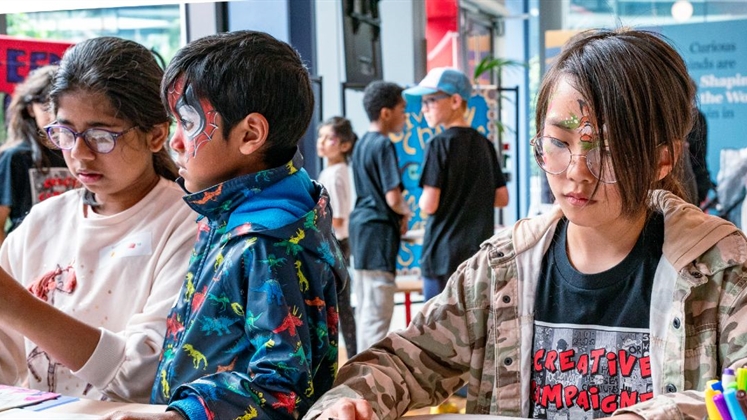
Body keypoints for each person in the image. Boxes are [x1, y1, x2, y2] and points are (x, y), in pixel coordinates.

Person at [303, 28, 747, 420]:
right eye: (559, 141)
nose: (577, 171)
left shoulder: (719, 271)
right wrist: (347, 402)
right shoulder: (504, 270)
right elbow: (405, 358)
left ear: (661, 159)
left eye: (606, 149)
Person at [109, 30, 349, 420]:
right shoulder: (236, 211)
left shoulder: (270, 242)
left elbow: (280, 388)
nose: (175, 142)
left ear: (250, 134)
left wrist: (184, 414)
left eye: (187, 122)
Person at [0, 37, 196, 402]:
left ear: (156, 135)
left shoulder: (186, 223)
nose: (79, 154)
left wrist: (19, 307)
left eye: (101, 136)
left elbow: (145, 374)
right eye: (65, 133)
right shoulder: (44, 221)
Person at [402, 67, 508, 300]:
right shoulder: (484, 144)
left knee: (437, 331)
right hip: (477, 256)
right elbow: (502, 198)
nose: (424, 109)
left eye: (430, 101)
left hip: (442, 256)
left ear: (455, 100)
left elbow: (429, 205)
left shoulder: (438, 145)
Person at [349, 81, 410, 353]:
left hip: (360, 231)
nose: (405, 116)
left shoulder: (361, 143)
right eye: (402, 110)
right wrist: (407, 212)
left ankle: (360, 377)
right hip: (377, 233)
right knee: (377, 313)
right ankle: (368, 384)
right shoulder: (384, 144)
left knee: (365, 309)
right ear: (386, 113)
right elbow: (393, 198)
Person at [0, 65, 78, 245]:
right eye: (46, 106)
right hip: (26, 255)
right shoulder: (15, 158)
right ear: (29, 109)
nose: (54, 115)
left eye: (59, 107)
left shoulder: (79, 151)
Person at [316, 115, 358, 358]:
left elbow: (339, 216)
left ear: (344, 145)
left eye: (328, 138)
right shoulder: (332, 171)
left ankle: (351, 355)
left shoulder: (337, 173)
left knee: (339, 304)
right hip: (334, 242)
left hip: (336, 244)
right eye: (320, 136)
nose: (322, 142)